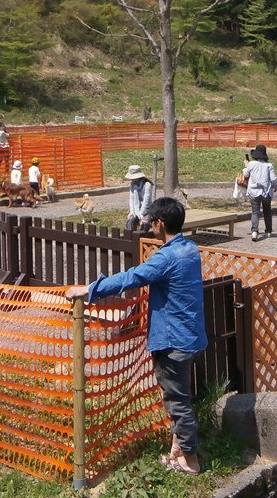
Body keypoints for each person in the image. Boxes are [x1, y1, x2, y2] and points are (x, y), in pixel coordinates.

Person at [65, 197, 205, 476]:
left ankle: (190, 461)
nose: (149, 226)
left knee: (177, 401)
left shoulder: (166, 258)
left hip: (172, 340)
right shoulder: (190, 248)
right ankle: (177, 451)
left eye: (151, 221)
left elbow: (131, 277)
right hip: (190, 336)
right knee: (178, 395)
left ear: (160, 223)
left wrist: (89, 289)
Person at [243, 145, 277, 241]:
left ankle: (254, 231)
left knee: (255, 212)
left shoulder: (251, 164)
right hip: (266, 192)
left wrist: (246, 166)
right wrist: (275, 186)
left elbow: (245, 174)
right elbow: (273, 179)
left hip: (254, 191)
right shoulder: (269, 165)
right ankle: (268, 231)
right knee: (267, 211)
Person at [125, 164, 154, 232]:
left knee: (145, 223)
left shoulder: (147, 185)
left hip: (147, 210)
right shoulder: (132, 184)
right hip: (136, 209)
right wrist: (132, 211)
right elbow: (131, 198)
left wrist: (141, 215)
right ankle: (131, 236)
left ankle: (142, 236)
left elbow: (146, 201)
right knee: (130, 221)